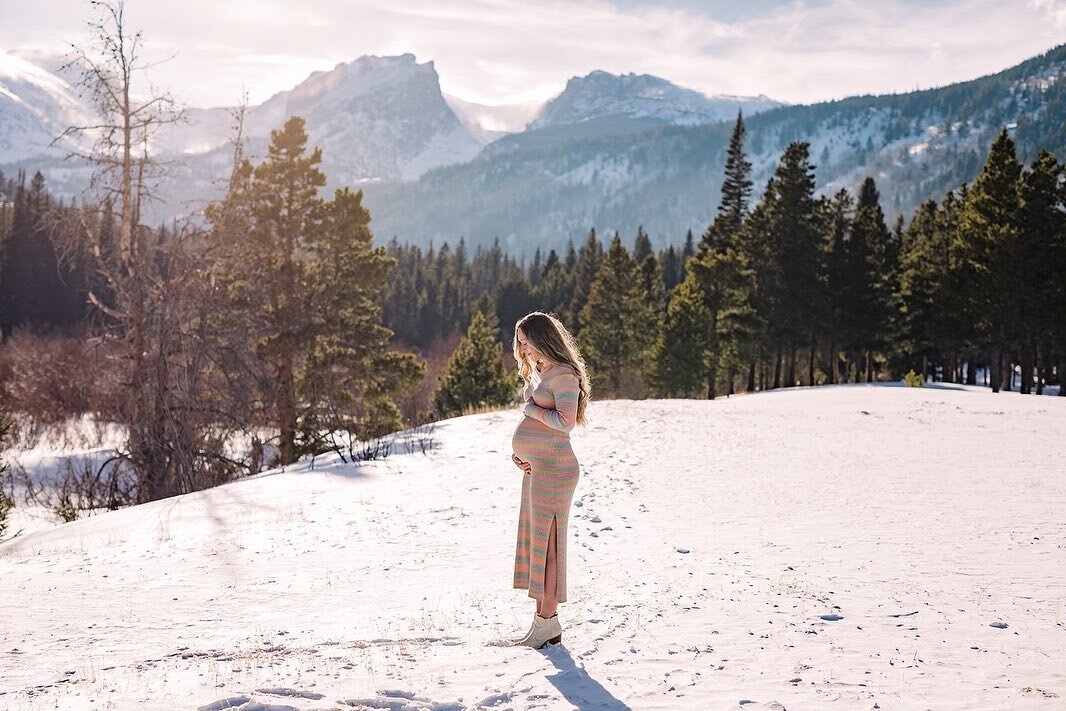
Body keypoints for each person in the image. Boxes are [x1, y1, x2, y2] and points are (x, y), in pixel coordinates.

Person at [509, 311, 591, 648]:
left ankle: (547, 622)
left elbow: (565, 422)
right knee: (538, 543)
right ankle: (543, 623)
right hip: (539, 468)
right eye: (521, 345)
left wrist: (531, 412)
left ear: (543, 339)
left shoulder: (565, 375)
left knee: (550, 546)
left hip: (557, 471)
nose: (524, 351)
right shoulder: (540, 372)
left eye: (527, 343)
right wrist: (522, 455)